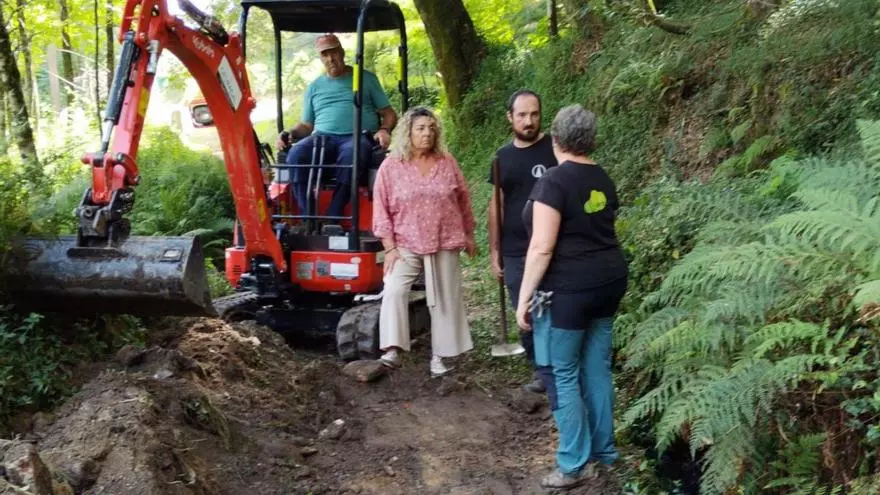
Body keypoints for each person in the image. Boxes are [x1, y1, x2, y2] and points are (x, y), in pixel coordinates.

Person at [515, 104, 628, 490]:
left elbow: (541, 247)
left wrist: (523, 298)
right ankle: (604, 452)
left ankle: (573, 464)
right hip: (609, 282)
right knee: (596, 369)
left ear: (556, 138)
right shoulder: (603, 178)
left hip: (570, 290)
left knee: (561, 372)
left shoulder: (554, 181)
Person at [371, 106, 476, 377]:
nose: (427, 133)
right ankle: (392, 349)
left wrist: (468, 234)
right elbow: (381, 208)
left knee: (443, 298)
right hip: (405, 240)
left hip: (444, 237)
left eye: (431, 128)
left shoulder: (447, 162)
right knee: (394, 289)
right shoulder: (391, 166)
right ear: (408, 132)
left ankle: (440, 356)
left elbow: (463, 198)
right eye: (420, 128)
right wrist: (389, 248)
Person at [276, 33, 397, 219]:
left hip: (357, 137)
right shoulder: (314, 87)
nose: (330, 59)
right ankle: (308, 216)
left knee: (351, 154)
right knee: (295, 154)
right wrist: (290, 132)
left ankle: (334, 215)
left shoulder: (365, 78)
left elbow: (388, 113)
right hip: (322, 137)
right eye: (325, 54)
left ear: (342, 52)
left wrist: (384, 129)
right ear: (320, 58)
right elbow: (307, 125)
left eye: (333, 52)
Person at [488, 89, 557, 394]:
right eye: (522, 115)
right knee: (526, 310)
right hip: (516, 249)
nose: (529, 121)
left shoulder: (556, 148)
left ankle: (559, 366)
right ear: (510, 117)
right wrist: (495, 250)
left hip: (556, 246)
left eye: (534, 114)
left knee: (554, 308)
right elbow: (497, 205)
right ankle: (540, 369)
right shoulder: (502, 158)